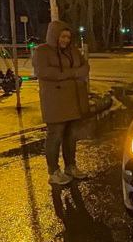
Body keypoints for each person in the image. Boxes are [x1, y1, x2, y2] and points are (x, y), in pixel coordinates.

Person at [34, 20, 91, 185]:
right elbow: (43, 72)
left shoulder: (73, 51)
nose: (65, 40)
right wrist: (73, 73)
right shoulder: (42, 51)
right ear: (54, 35)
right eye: (62, 36)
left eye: (68, 37)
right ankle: (53, 171)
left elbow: (85, 67)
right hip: (54, 102)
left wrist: (67, 74)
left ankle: (70, 166)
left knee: (71, 136)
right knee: (55, 136)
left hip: (74, 100)